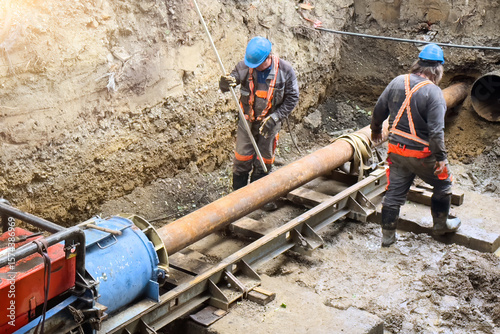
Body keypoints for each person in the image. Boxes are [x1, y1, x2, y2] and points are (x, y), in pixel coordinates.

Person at [370, 43, 461, 247]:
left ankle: (387, 237)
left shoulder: (397, 81)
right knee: (444, 183)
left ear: (417, 64)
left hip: (396, 151)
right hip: (421, 155)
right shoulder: (434, 93)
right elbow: (437, 132)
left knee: (394, 193)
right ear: (438, 70)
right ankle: (440, 225)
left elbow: (379, 109)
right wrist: (441, 159)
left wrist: (375, 130)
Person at [219, 36, 299, 210]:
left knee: (264, 158)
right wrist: (225, 84)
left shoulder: (285, 71)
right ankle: (237, 198)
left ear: (268, 58)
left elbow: (293, 98)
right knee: (241, 157)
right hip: (247, 121)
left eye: (257, 65)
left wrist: (276, 118)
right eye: (251, 65)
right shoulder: (244, 66)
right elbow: (230, 84)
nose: (252, 68)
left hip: (270, 123)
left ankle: (258, 199)